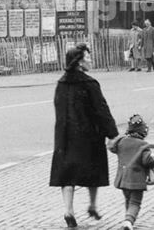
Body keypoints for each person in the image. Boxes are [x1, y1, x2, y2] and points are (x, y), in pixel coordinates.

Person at [50, 43, 119, 228]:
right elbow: (101, 110)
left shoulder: (61, 83)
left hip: (65, 135)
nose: (91, 60)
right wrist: (112, 134)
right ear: (79, 62)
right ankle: (93, 205)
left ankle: (68, 210)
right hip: (89, 135)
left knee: (67, 173)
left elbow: (58, 108)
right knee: (93, 170)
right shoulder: (90, 83)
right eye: (87, 57)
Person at [108, 114, 154, 230]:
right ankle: (128, 221)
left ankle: (128, 219)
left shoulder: (122, 143)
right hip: (136, 180)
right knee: (135, 202)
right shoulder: (143, 145)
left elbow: (111, 146)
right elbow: (147, 161)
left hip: (123, 179)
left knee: (128, 200)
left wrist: (121, 137)